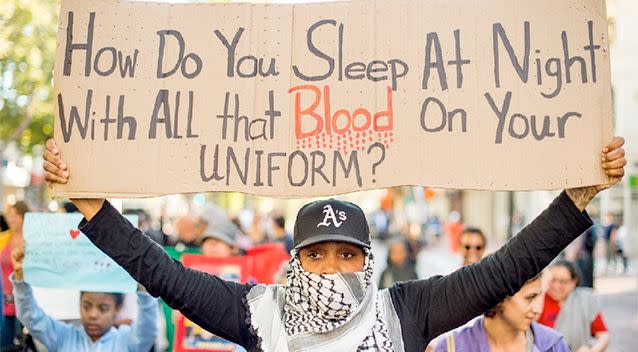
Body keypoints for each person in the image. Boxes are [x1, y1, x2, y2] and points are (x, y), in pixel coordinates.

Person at [42, 137, 626, 352]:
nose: (330, 268)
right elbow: (161, 273)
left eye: (347, 254)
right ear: (296, 260)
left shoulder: (407, 312)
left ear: (367, 260)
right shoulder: (256, 313)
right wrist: (92, 207)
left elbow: (504, 270)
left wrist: (576, 198)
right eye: (316, 254)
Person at [10, 245, 158, 351]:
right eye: (86, 306)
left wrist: (144, 289)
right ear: (79, 303)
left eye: (103, 308)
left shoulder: (127, 340)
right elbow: (31, 317)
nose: (93, 315)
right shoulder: (62, 336)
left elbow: (147, 329)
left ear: (117, 309)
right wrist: (21, 279)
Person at [435, 274, 569, 352]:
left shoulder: (553, 346)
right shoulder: (452, 348)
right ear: (499, 298)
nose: (537, 309)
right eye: (530, 297)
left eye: (539, 296)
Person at [538, 260, 610, 352]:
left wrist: (592, 350)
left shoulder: (584, 301)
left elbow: (603, 334)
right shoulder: (538, 299)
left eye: (562, 282)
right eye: (553, 280)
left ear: (573, 282)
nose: (556, 286)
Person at [0, 201, 29, 349]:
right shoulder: (3, 238)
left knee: (23, 341)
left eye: (15, 215)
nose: (11, 219)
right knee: (5, 341)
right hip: (5, 298)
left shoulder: (31, 239)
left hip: (24, 296)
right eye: (9, 215)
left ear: (24, 217)